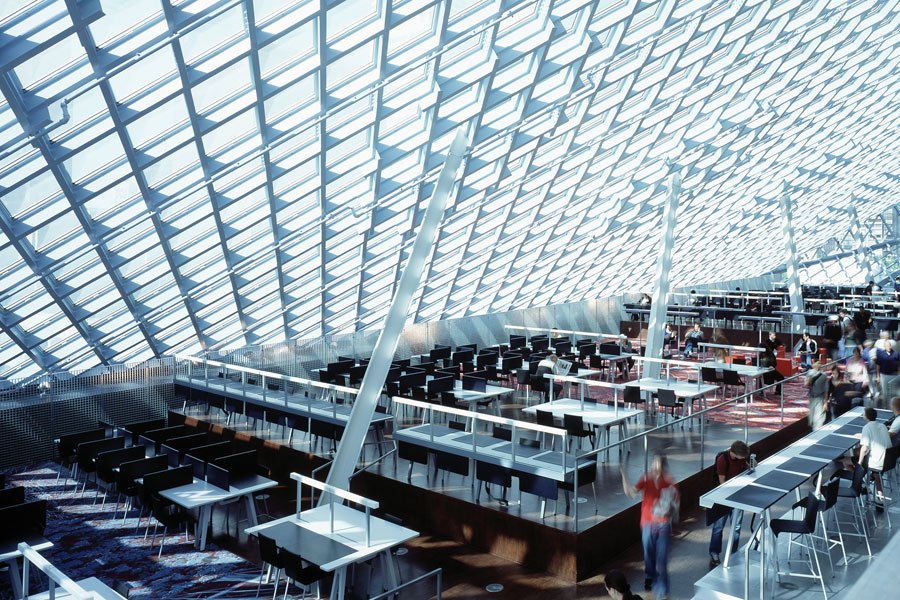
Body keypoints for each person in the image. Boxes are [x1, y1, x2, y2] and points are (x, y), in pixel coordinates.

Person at [620, 455, 678, 600]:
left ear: (663, 466)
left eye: (658, 464)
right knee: (648, 555)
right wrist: (624, 475)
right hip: (647, 523)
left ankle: (663, 590)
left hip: (663, 524)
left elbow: (675, 507)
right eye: (654, 463)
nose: (655, 467)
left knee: (662, 559)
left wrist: (668, 512)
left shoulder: (669, 482)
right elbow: (631, 492)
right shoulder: (646, 479)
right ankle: (650, 576)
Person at [708, 441, 749, 568]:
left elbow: (747, 466)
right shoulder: (722, 460)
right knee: (718, 528)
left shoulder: (741, 458)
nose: (744, 458)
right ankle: (714, 553)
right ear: (736, 453)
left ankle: (733, 552)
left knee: (736, 527)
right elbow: (722, 483)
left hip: (737, 496)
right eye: (743, 456)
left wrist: (752, 465)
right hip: (723, 498)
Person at [859, 407, 892, 510]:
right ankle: (879, 498)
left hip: (877, 462)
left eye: (863, 414)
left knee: (850, 462)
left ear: (866, 416)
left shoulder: (866, 428)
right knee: (876, 473)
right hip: (888, 460)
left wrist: (859, 462)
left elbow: (864, 448)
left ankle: (863, 485)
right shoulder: (882, 426)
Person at [875, 339, 900, 408]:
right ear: (884, 346)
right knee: (885, 392)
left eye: (889, 346)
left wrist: (898, 374)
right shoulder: (880, 354)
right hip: (884, 375)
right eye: (886, 346)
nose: (888, 347)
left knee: (894, 392)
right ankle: (886, 406)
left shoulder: (896, 354)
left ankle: (894, 407)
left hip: (894, 375)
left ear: (891, 346)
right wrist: (878, 376)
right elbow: (878, 366)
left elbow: (899, 365)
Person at [805, 361, 829, 430]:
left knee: (819, 418)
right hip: (811, 397)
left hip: (820, 398)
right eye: (817, 363)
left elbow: (826, 389)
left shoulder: (824, 375)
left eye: (820, 363)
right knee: (811, 418)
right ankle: (814, 431)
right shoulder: (809, 373)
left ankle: (817, 431)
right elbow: (806, 385)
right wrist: (810, 379)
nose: (819, 365)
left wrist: (825, 403)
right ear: (813, 364)